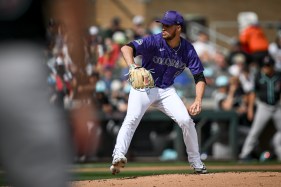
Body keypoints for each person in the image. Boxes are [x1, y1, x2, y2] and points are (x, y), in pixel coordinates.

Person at [110, 10, 207, 175]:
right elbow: (126, 48)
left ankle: (196, 162)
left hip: (166, 90)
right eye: (162, 24)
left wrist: (198, 99)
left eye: (167, 25)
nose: (163, 28)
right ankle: (118, 155)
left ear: (178, 28)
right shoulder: (154, 41)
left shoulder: (187, 49)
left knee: (186, 120)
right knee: (132, 119)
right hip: (144, 87)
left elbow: (199, 77)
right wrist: (133, 66)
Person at [239, 55, 281, 161]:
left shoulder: (279, 75)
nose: (266, 68)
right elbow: (252, 93)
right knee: (255, 131)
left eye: (268, 66)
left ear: (272, 66)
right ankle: (244, 154)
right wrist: (250, 110)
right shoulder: (259, 75)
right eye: (264, 66)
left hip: (277, 106)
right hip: (264, 106)